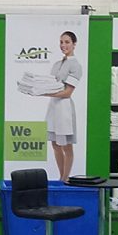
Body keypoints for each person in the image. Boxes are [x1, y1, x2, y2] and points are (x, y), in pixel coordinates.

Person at [44, 31, 82, 183]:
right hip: (53, 107)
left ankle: (66, 178)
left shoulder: (75, 65)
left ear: (74, 44)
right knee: (55, 143)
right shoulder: (56, 65)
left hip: (64, 108)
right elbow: (51, 84)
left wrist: (46, 93)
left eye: (67, 42)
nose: (63, 45)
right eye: (61, 42)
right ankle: (61, 176)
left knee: (66, 145)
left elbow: (67, 92)